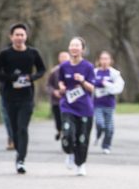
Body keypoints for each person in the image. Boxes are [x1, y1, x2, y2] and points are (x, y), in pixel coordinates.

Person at [0, 23, 46, 174]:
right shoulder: (5, 54)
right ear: (11, 37)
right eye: (16, 35)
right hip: (9, 97)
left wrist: (32, 77)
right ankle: (19, 150)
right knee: (15, 129)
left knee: (23, 128)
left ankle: (21, 160)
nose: (19, 37)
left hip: (26, 97)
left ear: (26, 36)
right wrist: (11, 77)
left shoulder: (33, 53)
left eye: (22, 35)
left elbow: (42, 69)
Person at [58, 37, 95, 176]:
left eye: (77, 45)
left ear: (82, 49)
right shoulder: (64, 66)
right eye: (72, 45)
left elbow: (92, 88)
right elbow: (61, 82)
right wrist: (61, 87)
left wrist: (83, 81)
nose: (74, 47)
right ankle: (69, 152)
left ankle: (81, 165)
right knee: (67, 134)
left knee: (82, 138)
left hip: (85, 108)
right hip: (68, 106)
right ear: (69, 48)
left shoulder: (88, 67)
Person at [93, 51, 125, 154]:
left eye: (106, 59)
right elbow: (91, 84)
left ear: (110, 61)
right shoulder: (95, 72)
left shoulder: (114, 73)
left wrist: (105, 84)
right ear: (99, 60)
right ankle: (98, 135)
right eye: (102, 59)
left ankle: (106, 145)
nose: (104, 61)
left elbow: (118, 87)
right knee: (100, 123)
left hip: (109, 105)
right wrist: (100, 83)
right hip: (97, 104)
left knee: (109, 127)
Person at [47, 51, 70, 141]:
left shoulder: (72, 70)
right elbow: (48, 85)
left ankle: (66, 134)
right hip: (56, 101)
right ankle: (60, 130)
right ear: (59, 59)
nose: (64, 59)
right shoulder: (54, 71)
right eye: (62, 57)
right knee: (58, 120)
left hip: (69, 100)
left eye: (66, 57)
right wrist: (54, 92)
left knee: (67, 119)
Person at [0, 82, 14, 150]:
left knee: (16, 118)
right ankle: (11, 139)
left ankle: (16, 139)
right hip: (4, 94)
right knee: (7, 119)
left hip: (19, 95)